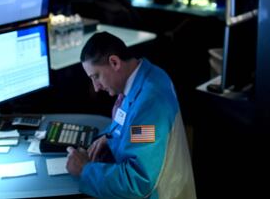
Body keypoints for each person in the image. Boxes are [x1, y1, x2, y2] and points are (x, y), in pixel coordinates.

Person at [66, 32, 196, 199]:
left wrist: (85, 170)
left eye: (96, 76)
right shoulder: (146, 76)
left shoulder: (149, 104)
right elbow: (130, 125)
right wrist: (110, 138)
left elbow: (138, 182)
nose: (96, 87)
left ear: (114, 62)